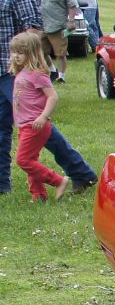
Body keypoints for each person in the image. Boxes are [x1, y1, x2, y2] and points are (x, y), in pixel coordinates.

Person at [0, 0, 96, 196]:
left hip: (17, 71)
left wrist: (25, 67)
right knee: (4, 126)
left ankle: (80, 173)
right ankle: (2, 183)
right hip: (5, 68)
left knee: (38, 125)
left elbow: (33, 28)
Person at [10, 31, 68, 200]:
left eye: (21, 53)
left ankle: (58, 181)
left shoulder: (38, 74)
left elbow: (53, 96)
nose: (16, 56)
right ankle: (38, 195)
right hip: (24, 125)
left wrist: (43, 117)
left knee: (23, 160)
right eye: (14, 52)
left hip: (35, 125)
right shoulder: (23, 73)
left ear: (32, 53)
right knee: (30, 159)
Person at [36, 0, 76, 81]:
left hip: (58, 26)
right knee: (41, 52)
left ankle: (61, 76)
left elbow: (72, 4)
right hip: (40, 26)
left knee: (60, 53)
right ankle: (52, 70)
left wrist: (71, 20)